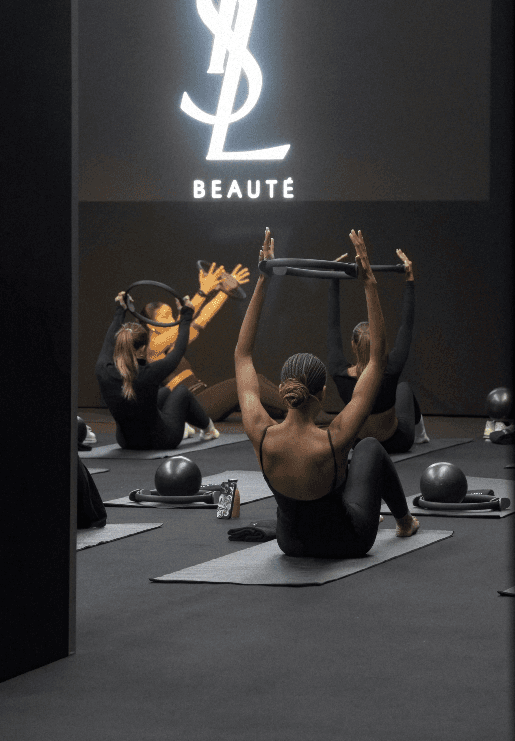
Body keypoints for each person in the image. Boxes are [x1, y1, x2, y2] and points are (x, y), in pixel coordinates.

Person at [234, 227, 418, 558]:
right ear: (321, 391)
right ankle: (404, 522)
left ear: (282, 388)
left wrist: (264, 278)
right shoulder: (335, 438)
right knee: (371, 448)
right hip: (348, 543)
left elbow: (242, 355)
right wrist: (369, 283)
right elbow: (377, 358)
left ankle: (398, 520)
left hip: (290, 545)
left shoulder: (260, 433)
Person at [143, 260, 288, 425]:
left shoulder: (173, 344)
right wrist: (203, 291)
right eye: (164, 317)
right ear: (150, 325)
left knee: (258, 381)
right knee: (243, 382)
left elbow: (201, 320)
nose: (171, 319)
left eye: (171, 314)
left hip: (205, 396)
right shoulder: (153, 349)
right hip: (195, 405)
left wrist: (224, 292)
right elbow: (185, 320)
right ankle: (303, 411)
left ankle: (289, 410)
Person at [327, 248, 428, 453]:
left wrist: (334, 279)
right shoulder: (391, 369)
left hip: (359, 444)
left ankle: (421, 435)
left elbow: (333, 327)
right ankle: (421, 436)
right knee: (404, 388)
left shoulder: (339, 372)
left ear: (353, 345)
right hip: (397, 442)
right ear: (380, 343)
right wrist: (409, 280)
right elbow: (406, 326)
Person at [95, 292, 218, 450]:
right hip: (162, 440)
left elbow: (109, 341)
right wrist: (186, 316)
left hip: (126, 442)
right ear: (142, 350)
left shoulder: (103, 369)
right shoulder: (148, 374)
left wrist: (121, 310)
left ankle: (182, 423)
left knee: (166, 392)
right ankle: (209, 430)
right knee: (181, 392)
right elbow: (178, 350)